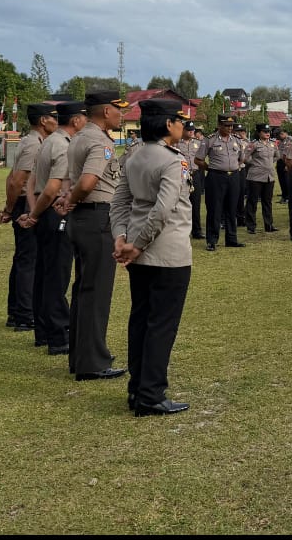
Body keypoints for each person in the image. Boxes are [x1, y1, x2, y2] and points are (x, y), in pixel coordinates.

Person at [111, 99, 193, 416]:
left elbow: (119, 202)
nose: (183, 126)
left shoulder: (134, 156)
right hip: (166, 253)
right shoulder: (173, 160)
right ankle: (151, 393)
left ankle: (137, 388)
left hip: (138, 250)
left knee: (141, 320)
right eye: (179, 121)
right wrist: (139, 244)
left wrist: (122, 237)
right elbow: (163, 209)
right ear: (168, 124)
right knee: (161, 324)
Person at [58, 90, 128, 381]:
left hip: (83, 219)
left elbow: (72, 179)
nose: (122, 115)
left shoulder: (78, 137)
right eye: (119, 109)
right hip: (97, 216)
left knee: (84, 289)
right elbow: (87, 182)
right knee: (96, 292)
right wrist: (72, 199)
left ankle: (81, 356)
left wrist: (69, 199)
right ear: (106, 111)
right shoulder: (100, 141)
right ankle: (93, 362)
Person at [19, 101, 87, 356]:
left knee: (44, 274)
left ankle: (43, 331)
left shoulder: (48, 142)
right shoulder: (63, 145)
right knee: (57, 276)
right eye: (84, 117)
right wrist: (36, 214)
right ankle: (58, 335)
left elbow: (31, 182)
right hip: (55, 211)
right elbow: (52, 188)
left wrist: (33, 211)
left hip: (44, 211)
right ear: (76, 120)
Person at [0, 103, 56, 331]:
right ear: (43, 121)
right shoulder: (34, 145)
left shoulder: (30, 141)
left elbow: (11, 177)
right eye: (53, 117)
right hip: (27, 204)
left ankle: (16, 312)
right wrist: (10, 209)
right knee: (28, 261)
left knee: (23, 259)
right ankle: (24, 314)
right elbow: (17, 180)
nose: (56, 121)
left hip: (23, 203)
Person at [195, 114, 244, 251]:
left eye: (231, 126)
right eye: (226, 125)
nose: (230, 128)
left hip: (233, 177)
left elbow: (241, 158)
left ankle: (231, 239)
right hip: (216, 177)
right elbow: (198, 159)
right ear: (219, 125)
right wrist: (210, 168)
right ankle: (212, 240)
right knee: (214, 209)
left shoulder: (237, 140)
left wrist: (233, 167)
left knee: (232, 208)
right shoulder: (210, 140)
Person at [243, 123, 279, 234]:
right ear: (259, 133)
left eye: (268, 131)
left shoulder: (272, 144)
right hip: (255, 177)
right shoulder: (254, 144)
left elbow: (277, 156)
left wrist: (268, 163)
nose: (268, 133)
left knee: (267, 202)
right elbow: (245, 158)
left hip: (269, 177)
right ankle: (251, 226)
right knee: (252, 202)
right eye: (265, 131)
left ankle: (269, 225)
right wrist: (256, 163)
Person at [177, 121, 205, 239]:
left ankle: (196, 231)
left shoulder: (198, 143)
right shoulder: (176, 143)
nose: (191, 132)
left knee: (196, 203)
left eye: (192, 130)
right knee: (181, 203)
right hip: (181, 175)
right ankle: (182, 231)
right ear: (183, 130)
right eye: (188, 130)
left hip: (195, 174)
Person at [275, 129, 291, 204]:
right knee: (281, 181)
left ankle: (288, 197)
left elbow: (289, 153)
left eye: (281, 134)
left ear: (286, 133)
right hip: (280, 162)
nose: (280, 136)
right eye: (279, 134)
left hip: (285, 163)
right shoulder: (281, 141)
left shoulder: (289, 141)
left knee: (286, 181)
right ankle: (284, 196)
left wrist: (287, 165)